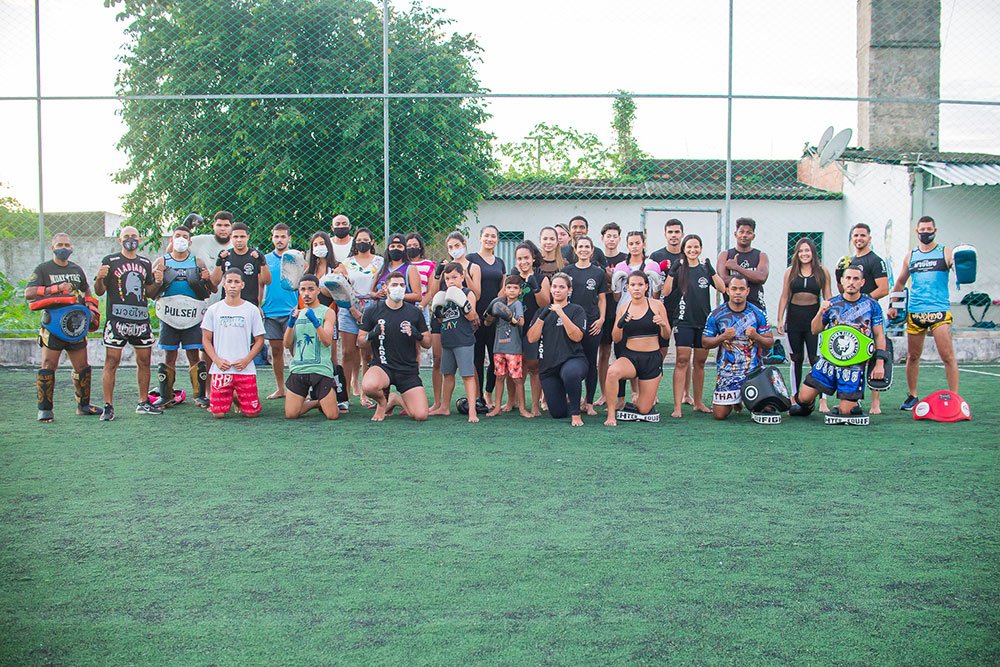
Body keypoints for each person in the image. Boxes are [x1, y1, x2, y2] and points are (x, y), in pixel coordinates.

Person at [789, 264, 887, 420]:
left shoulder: (872, 305)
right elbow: (814, 330)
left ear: (862, 282)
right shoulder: (832, 303)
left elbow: (879, 335)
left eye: (856, 279)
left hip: (854, 364)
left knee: (846, 413)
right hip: (829, 360)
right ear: (842, 281)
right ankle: (809, 404)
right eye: (848, 278)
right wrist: (821, 311)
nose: (851, 282)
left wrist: (880, 362)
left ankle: (851, 404)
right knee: (803, 399)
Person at [24, 232, 101, 421]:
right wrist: (55, 289)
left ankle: (83, 406)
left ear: (72, 248)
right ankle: (45, 409)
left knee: (82, 366)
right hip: (53, 325)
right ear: (52, 248)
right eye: (59, 245)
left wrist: (90, 308)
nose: (64, 248)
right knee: (49, 364)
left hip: (76, 325)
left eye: (67, 244)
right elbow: (29, 293)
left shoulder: (76, 269)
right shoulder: (43, 269)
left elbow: (86, 289)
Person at [887, 215, 959, 410]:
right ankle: (912, 396)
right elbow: (900, 282)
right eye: (922, 230)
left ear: (935, 231)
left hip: (939, 312)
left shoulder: (945, 252)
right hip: (916, 312)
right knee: (913, 356)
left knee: (948, 356)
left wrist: (961, 263)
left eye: (929, 230)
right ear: (917, 232)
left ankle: (955, 398)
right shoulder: (911, 256)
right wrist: (893, 305)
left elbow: (958, 269)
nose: (925, 233)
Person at [93, 225, 161, 420]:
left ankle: (142, 402)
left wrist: (157, 282)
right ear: (119, 240)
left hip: (140, 320)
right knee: (112, 361)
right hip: (117, 320)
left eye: (134, 236)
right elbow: (99, 291)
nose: (130, 239)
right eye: (126, 236)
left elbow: (148, 293)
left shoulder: (145, 263)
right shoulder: (110, 261)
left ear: (139, 240)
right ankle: (108, 405)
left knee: (144, 362)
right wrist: (99, 278)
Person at [663, 234, 727, 418]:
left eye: (696, 247)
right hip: (684, 321)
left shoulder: (704, 270)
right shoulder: (680, 270)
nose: (692, 250)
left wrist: (712, 270)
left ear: (700, 248)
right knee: (682, 360)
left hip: (703, 322)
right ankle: (677, 406)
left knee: (700, 362)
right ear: (684, 249)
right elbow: (666, 292)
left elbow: (722, 288)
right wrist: (672, 272)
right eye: (689, 247)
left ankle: (698, 402)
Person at [151, 224, 215, 408]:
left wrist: (207, 279)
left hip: (192, 316)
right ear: (171, 240)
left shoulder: (198, 262)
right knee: (169, 356)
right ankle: (167, 395)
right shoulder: (161, 262)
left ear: (190, 241)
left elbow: (210, 290)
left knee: (194, 356)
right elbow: (151, 292)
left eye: (184, 236)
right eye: (177, 235)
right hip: (169, 316)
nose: (181, 238)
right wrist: (157, 280)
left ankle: (199, 396)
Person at [358, 271, 431, 421]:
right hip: (383, 366)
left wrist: (416, 334)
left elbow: (428, 343)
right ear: (386, 288)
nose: (399, 288)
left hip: (407, 370)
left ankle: (395, 399)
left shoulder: (415, 312)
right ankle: (382, 401)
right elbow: (360, 341)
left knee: (420, 415)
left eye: (402, 285)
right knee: (369, 386)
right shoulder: (373, 311)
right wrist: (372, 334)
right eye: (395, 285)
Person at [702, 275, 774, 420]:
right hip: (728, 373)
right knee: (719, 415)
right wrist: (722, 337)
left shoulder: (758, 313)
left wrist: (756, 336)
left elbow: (770, 342)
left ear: (747, 291)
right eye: (734, 288)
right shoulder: (716, 314)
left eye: (742, 289)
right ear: (727, 291)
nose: (738, 292)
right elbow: (704, 343)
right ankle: (735, 401)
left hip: (754, 373)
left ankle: (745, 399)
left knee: (769, 408)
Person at [603, 271, 671, 426]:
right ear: (627, 288)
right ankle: (611, 414)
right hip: (631, 357)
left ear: (646, 286)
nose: (637, 288)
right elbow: (616, 338)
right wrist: (620, 324)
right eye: (633, 285)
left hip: (652, 358)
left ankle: (636, 404)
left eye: (640, 284)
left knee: (644, 409)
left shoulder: (657, 305)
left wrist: (662, 324)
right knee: (612, 372)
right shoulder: (623, 307)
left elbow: (666, 336)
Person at [427, 232, 482, 413]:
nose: (451, 281)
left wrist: (463, 303)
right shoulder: (444, 296)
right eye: (448, 278)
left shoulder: (467, 293)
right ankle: (444, 407)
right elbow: (443, 319)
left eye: (454, 278)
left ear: (462, 277)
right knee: (447, 374)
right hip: (448, 339)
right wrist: (437, 312)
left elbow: (471, 316)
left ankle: (472, 410)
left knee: (467, 375)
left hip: (464, 340)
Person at [776, 237, 832, 413]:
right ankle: (795, 396)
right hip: (794, 319)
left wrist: (830, 320)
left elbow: (828, 297)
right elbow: (784, 296)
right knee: (796, 358)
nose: (804, 254)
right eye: (801, 251)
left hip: (814, 320)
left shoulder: (822, 271)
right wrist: (779, 319)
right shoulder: (790, 271)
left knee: (817, 359)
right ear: (796, 253)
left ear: (813, 252)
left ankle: (822, 399)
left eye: (807, 250)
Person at [201, 269, 266, 418]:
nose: (232, 285)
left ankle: (237, 397)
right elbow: (206, 339)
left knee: (251, 414)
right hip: (221, 370)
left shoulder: (251, 310)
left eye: (237, 282)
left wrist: (246, 360)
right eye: (229, 281)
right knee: (218, 415)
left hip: (245, 369)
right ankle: (233, 395)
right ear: (224, 284)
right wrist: (216, 360)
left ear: (242, 285)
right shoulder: (213, 310)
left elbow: (259, 340)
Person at [526, 272, 588, 426]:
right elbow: (531, 338)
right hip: (549, 367)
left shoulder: (576, 310)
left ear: (569, 290)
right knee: (557, 413)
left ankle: (576, 413)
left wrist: (561, 312)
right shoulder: (542, 311)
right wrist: (542, 316)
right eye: (554, 286)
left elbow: (577, 336)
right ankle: (571, 400)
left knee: (570, 373)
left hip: (573, 360)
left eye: (562, 287)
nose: (557, 290)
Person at [609, 231, 662, 409]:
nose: (634, 246)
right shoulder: (621, 266)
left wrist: (655, 282)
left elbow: (656, 294)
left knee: (645, 352)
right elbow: (617, 297)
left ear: (643, 244)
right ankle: (623, 397)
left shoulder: (651, 265)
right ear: (627, 245)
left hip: (645, 314)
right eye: (631, 243)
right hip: (625, 313)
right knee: (623, 355)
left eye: (637, 243)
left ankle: (642, 393)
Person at [841, 222, 890, 413]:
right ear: (852, 239)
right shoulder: (851, 261)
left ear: (869, 238)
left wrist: (863, 303)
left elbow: (884, 288)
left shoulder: (876, 261)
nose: (859, 239)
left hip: (870, 317)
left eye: (862, 235)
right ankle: (855, 398)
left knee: (873, 355)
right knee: (855, 355)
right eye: (856, 236)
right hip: (853, 320)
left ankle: (875, 403)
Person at [283, 274, 341, 420]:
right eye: (303, 290)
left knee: (332, 415)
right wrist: (290, 324)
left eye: (310, 289)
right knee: (291, 414)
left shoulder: (327, 312)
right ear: (299, 292)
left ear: (318, 291)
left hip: (321, 369)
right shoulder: (296, 313)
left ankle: (325, 399)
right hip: (299, 368)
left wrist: (316, 322)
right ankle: (316, 403)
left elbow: (327, 341)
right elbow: (287, 344)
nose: (306, 293)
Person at [564, 235, 608, 415]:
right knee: (570, 361)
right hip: (572, 324)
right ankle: (573, 400)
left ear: (592, 250)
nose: (583, 249)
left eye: (587, 247)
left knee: (591, 362)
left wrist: (601, 319)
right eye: (580, 246)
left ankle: (589, 403)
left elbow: (602, 299)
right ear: (575, 249)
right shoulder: (568, 271)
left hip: (592, 324)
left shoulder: (598, 273)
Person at [339, 227, 383, 407]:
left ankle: (365, 394)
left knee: (368, 354)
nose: (362, 243)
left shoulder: (380, 262)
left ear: (372, 242)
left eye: (365, 240)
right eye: (358, 240)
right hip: (349, 309)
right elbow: (341, 287)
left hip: (372, 309)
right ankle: (345, 396)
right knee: (348, 352)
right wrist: (352, 309)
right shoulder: (346, 263)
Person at [648, 218, 691, 402]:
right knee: (660, 352)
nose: (674, 235)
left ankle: (686, 394)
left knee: (685, 354)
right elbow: (650, 285)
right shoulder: (656, 256)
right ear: (665, 234)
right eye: (670, 232)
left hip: (685, 309)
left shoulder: (688, 254)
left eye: (677, 232)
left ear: (682, 234)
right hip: (662, 309)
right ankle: (653, 391)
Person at [508, 241, 550, 417]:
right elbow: (502, 299)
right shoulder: (512, 277)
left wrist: (535, 286)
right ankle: (512, 401)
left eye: (526, 257)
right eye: (519, 258)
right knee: (514, 366)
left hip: (534, 327)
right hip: (514, 328)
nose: (523, 261)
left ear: (533, 258)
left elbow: (545, 303)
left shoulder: (542, 278)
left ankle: (534, 405)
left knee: (533, 366)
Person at [467, 225, 507, 409]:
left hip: (494, 317)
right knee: (476, 357)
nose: (490, 239)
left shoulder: (500, 262)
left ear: (497, 239)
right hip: (475, 316)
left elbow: (503, 286)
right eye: (486, 235)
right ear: (480, 238)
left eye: (493, 236)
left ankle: (488, 394)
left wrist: (495, 308)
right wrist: (472, 312)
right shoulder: (471, 259)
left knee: (495, 357)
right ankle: (477, 397)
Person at [260, 223, 298, 400]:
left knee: (295, 351)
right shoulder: (265, 260)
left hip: (292, 312)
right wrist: (259, 305)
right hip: (270, 312)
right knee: (276, 351)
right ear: (272, 238)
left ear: (289, 238)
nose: (280, 240)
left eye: (283, 236)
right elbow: (261, 283)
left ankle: (299, 389)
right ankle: (280, 388)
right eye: (277, 236)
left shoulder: (296, 258)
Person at [484, 274, 529, 418]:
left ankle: (522, 408)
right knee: (499, 377)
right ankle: (497, 407)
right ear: (504, 289)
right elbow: (487, 322)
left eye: (515, 288)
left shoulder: (517, 305)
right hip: (499, 348)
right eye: (508, 287)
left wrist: (510, 317)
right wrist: (490, 312)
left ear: (520, 291)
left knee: (517, 379)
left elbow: (521, 322)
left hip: (513, 348)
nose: (511, 291)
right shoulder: (500, 304)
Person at [596, 222, 627, 407]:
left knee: (626, 352)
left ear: (619, 239)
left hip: (623, 310)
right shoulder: (597, 258)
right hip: (605, 312)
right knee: (604, 353)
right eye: (608, 236)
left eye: (615, 236)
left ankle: (634, 393)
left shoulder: (625, 259)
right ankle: (604, 393)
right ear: (603, 238)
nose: (611, 239)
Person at [717, 217, 769, 313]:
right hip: (731, 309)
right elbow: (722, 280)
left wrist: (737, 268)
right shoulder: (725, 255)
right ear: (735, 234)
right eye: (741, 232)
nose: (744, 235)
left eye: (748, 232)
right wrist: (752, 276)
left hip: (756, 307)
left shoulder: (761, 255)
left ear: (753, 236)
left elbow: (761, 277)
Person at [212, 222, 270, 305]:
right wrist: (218, 262)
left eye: (242, 236)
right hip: (228, 304)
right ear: (231, 237)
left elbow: (267, 281)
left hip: (250, 304)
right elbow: (214, 282)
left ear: (248, 237)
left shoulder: (255, 256)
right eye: (236, 237)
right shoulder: (226, 256)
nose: (239, 240)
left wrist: (263, 262)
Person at [189, 210, 234, 305]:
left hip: (227, 304)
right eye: (219, 225)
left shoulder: (235, 247)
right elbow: (172, 249)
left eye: (226, 225)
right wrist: (185, 226)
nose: (222, 229)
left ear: (232, 226)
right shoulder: (201, 241)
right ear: (213, 225)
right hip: (201, 302)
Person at [374, 233, 422, 304]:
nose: (395, 249)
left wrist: (396, 295)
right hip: (382, 311)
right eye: (392, 246)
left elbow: (418, 296)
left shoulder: (410, 269)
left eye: (399, 246)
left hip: (403, 311)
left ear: (404, 249)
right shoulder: (382, 267)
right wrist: (376, 294)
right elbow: (372, 292)